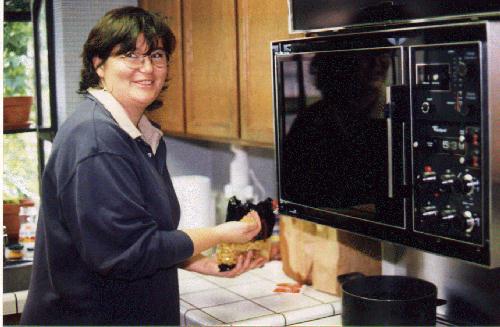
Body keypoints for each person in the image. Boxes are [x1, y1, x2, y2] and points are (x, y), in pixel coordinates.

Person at [20, 6, 266, 326]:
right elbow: (127, 253)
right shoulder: (97, 141)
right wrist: (220, 233)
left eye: (157, 55)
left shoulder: (138, 136)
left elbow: (143, 236)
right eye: (130, 55)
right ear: (99, 65)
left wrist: (194, 262)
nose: (147, 67)